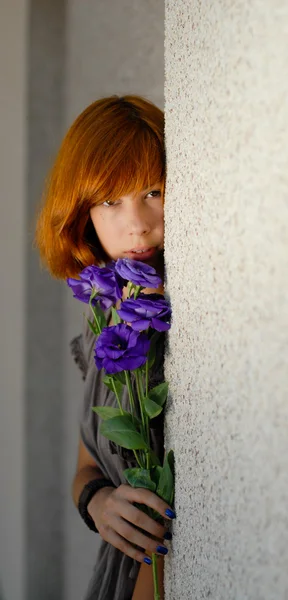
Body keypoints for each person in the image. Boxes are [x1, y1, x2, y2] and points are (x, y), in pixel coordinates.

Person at [35, 95, 174, 600]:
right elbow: (86, 469)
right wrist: (99, 503)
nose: (137, 223)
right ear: (82, 213)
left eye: (153, 191)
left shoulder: (192, 311)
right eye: (111, 200)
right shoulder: (103, 328)